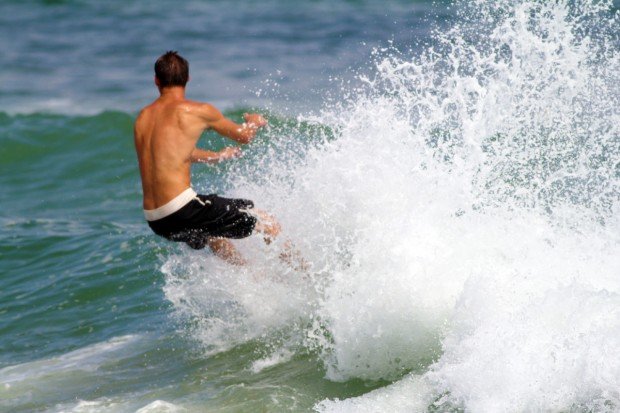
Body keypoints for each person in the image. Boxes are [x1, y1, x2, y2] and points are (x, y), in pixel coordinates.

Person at [134, 50, 281, 265]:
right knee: (268, 223)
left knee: (214, 236)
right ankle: (305, 276)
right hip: (182, 209)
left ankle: (251, 280)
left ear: (156, 80)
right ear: (187, 79)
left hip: (157, 219)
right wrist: (254, 121)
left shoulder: (143, 118)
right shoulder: (198, 110)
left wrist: (216, 156)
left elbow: (172, 154)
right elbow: (244, 136)